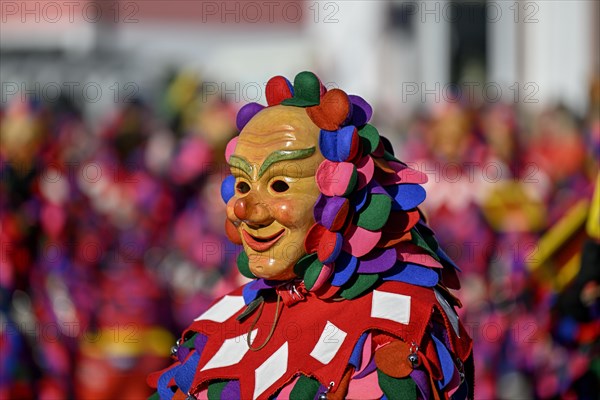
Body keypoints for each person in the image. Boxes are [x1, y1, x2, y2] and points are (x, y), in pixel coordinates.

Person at [148, 72, 474, 399]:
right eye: (242, 185)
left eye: (279, 185)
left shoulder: (395, 329)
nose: (243, 209)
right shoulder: (222, 320)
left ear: (342, 193)